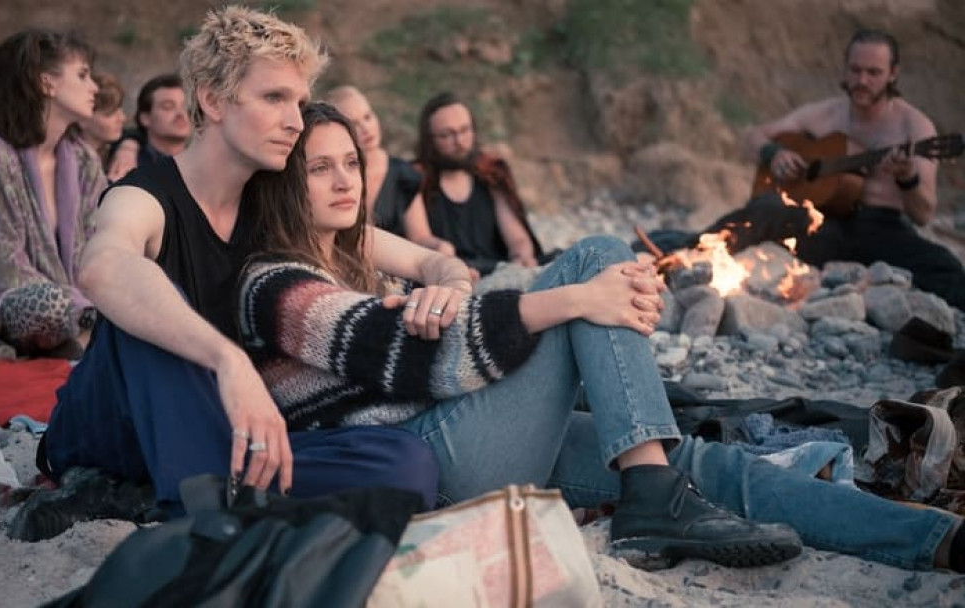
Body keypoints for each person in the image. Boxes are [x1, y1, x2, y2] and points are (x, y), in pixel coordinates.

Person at [236, 100, 965, 572]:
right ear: (283, 181)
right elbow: (427, 364)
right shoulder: (273, 284)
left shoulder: (350, 248)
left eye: (350, 163)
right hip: (435, 457)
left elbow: (446, 270)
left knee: (698, 463)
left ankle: (931, 540)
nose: (346, 180)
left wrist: (450, 284)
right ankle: (649, 492)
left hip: (474, 431)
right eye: (319, 168)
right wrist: (580, 299)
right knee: (593, 258)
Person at [40, 6, 451, 519]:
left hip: (218, 433)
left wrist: (448, 286)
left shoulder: (271, 207)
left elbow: (424, 259)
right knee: (154, 302)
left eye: (299, 102)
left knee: (404, 464)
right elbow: (103, 266)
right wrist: (227, 360)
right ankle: (199, 499)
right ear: (212, 100)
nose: (295, 121)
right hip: (114, 426)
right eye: (274, 98)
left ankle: (199, 493)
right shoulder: (145, 196)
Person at [712, 28, 964, 310]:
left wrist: (907, 177)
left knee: (945, 268)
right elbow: (752, 137)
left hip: (882, 229)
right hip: (823, 223)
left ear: (893, 74)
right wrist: (774, 154)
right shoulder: (825, 114)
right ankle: (688, 250)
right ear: (844, 70)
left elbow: (924, 214)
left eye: (873, 72)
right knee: (766, 208)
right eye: (855, 70)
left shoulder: (915, 127)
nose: (862, 81)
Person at [0, 30, 104, 358]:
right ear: (46, 83)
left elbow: (100, 245)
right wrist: (81, 306)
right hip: (8, 304)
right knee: (49, 305)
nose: (94, 86)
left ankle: (85, 338)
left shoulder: (85, 160)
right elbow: (3, 269)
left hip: (84, 302)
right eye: (83, 75)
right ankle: (88, 337)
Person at [403, 92, 551, 276]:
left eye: (465, 130)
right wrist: (440, 250)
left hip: (496, 269)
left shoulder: (491, 172)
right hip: (450, 272)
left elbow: (517, 237)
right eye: (446, 135)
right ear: (429, 140)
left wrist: (521, 256)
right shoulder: (415, 177)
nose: (459, 142)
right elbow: (419, 237)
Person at [326, 85, 421, 237]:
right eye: (354, 124)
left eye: (367, 117)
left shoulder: (403, 174)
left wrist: (441, 246)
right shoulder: (333, 178)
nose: (366, 128)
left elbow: (421, 236)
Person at [105, 73, 192, 181]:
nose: (181, 114)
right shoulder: (128, 164)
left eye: (186, 106)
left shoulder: (201, 161)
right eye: (168, 107)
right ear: (145, 118)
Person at [75, 71, 127, 179]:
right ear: (82, 119)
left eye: (120, 110)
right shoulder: (74, 160)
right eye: (110, 113)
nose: (122, 118)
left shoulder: (110, 151)